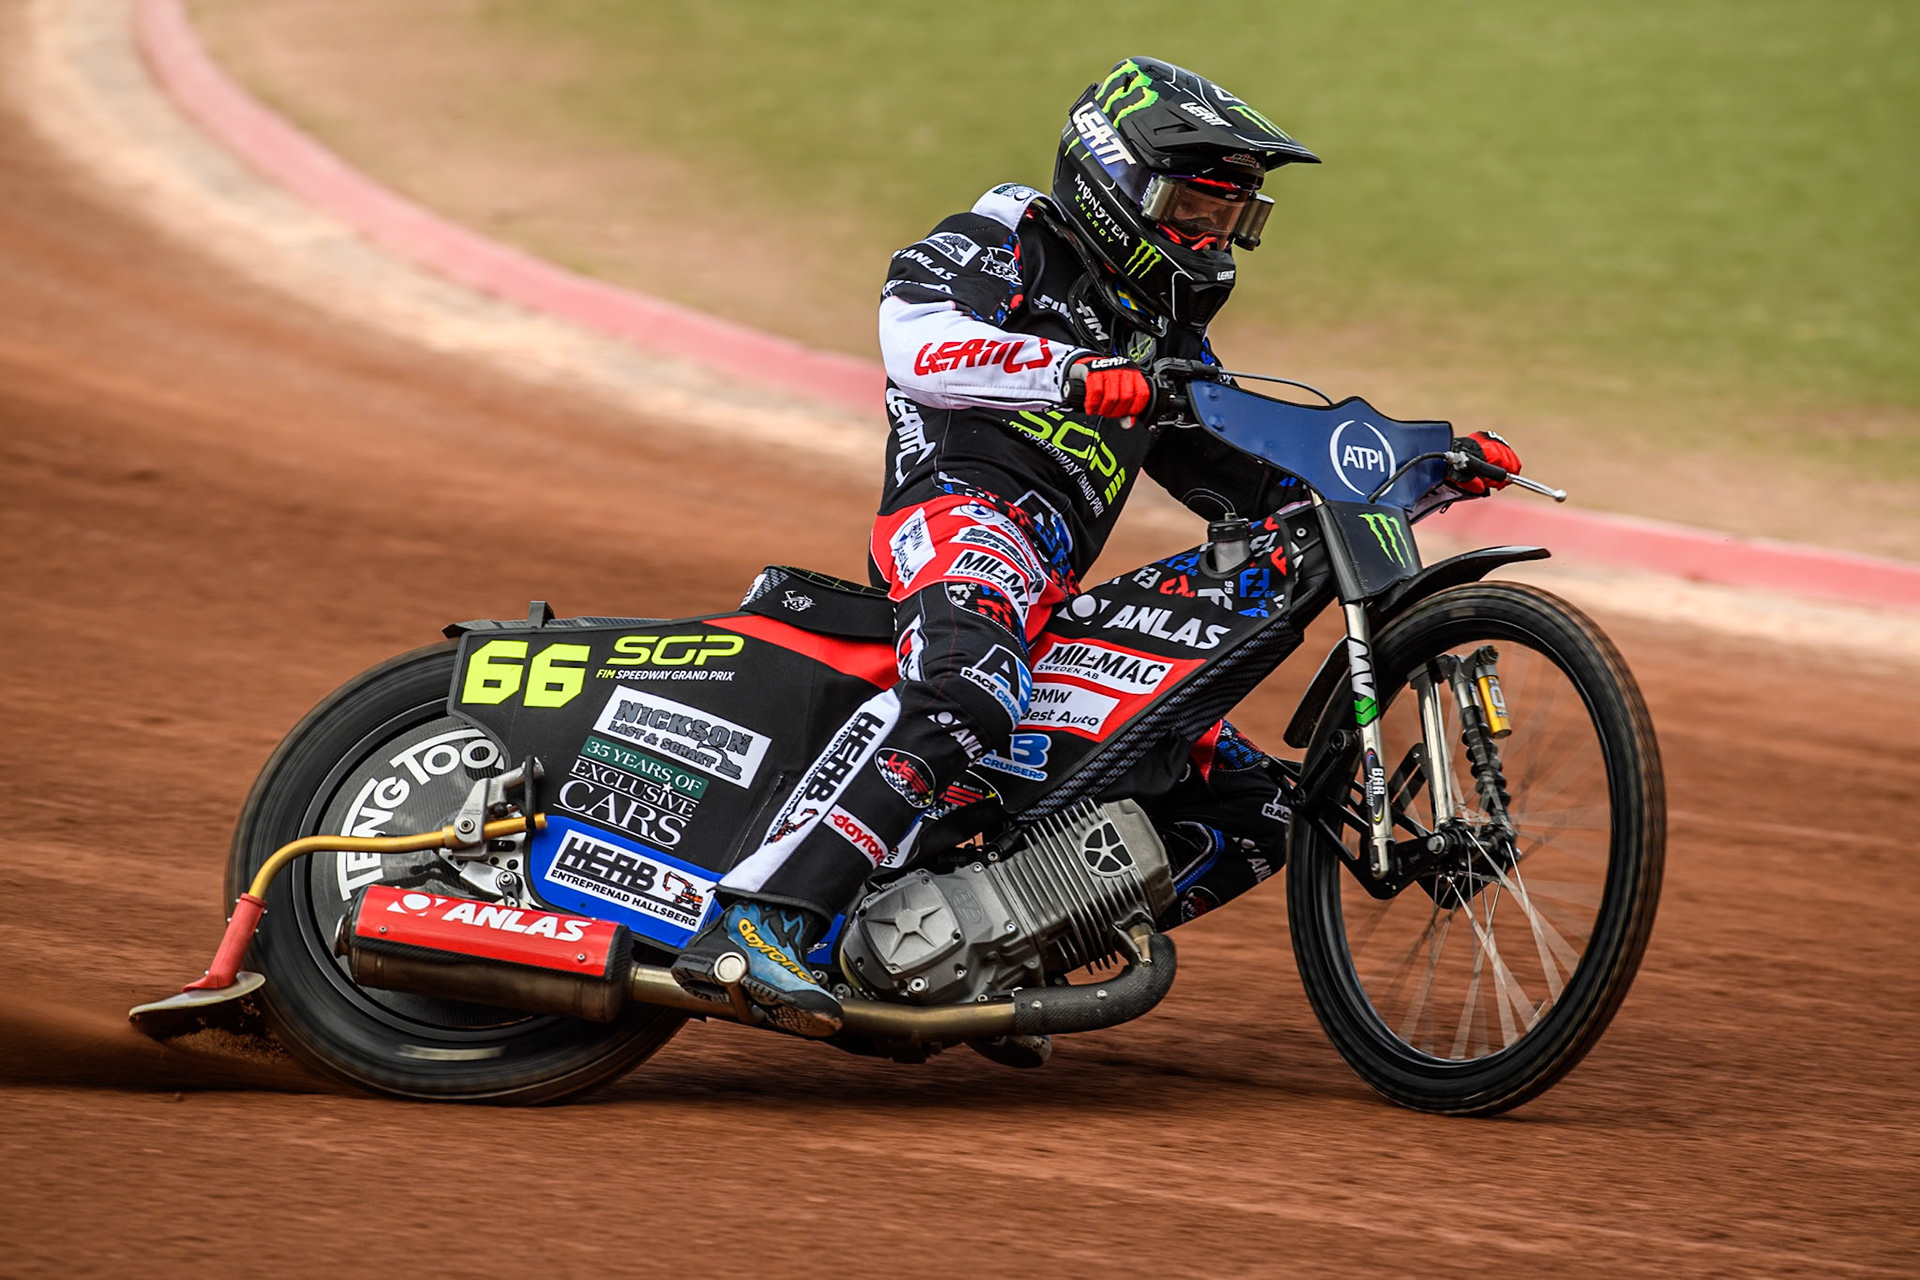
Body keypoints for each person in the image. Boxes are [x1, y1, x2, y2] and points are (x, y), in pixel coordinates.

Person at [672, 57, 1521, 1038]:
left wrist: (1410, 478)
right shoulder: (1010, 237)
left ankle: (997, 946)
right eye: (1194, 209)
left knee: (1259, 808)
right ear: (1115, 181)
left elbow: (1241, 479)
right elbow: (913, 337)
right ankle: (759, 916)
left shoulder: (1159, 333)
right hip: (958, 519)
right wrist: (1073, 373)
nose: (1211, 239)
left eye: (1232, 220)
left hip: (1052, 589)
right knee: (972, 685)